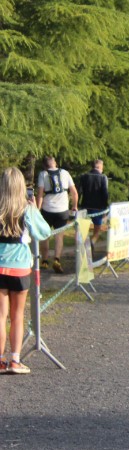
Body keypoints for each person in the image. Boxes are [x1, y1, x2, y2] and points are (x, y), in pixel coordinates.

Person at [1, 167, 53, 374]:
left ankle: (0, 360)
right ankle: (15, 360)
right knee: (17, 315)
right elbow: (44, 232)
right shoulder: (26, 209)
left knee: (0, 316)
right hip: (20, 267)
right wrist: (35, 209)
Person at [35, 156, 78, 274]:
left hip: (47, 210)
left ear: (45, 165)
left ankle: (44, 261)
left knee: (45, 235)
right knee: (59, 236)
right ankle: (57, 259)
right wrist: (74, 206)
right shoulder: (65, 173)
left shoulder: (43, 174)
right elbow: (74, 192)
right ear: (55, 163)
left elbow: (40, 194)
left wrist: (37, 210)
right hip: (62, 211)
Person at [76, 159, 109, 243]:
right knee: (97, 227)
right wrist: (105, 208)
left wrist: (77, 205)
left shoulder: (83, 176)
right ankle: (92, 242)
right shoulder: (103, 177)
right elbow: (105, 193)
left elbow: (79, 191)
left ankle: (83, 243)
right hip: (98, 207)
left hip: (85, 205)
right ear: (99, 167)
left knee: (83, 228)